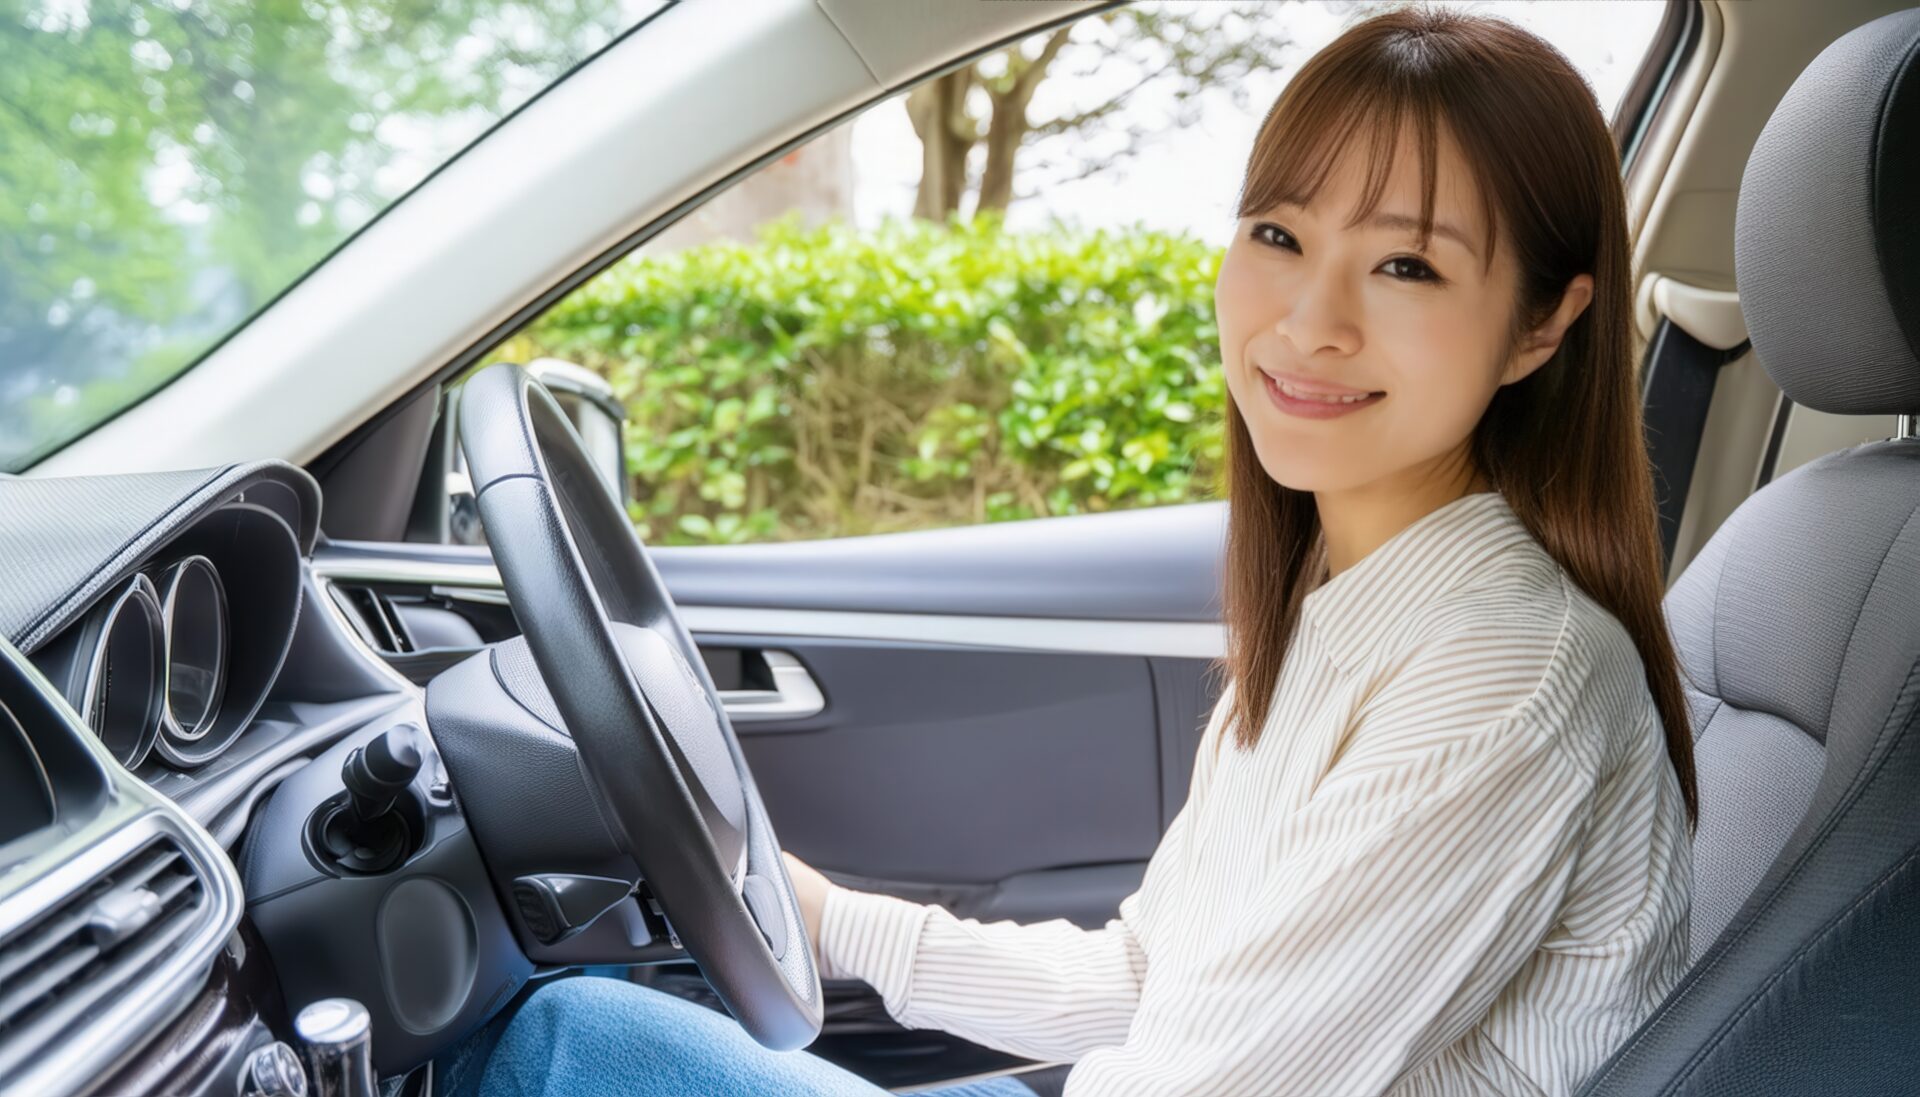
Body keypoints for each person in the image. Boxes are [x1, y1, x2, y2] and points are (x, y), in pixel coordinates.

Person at [458, 7, 1696, 1096]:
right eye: (1277, 235)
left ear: (1542, 325)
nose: (1310, 322)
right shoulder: (1348, 603)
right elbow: (1153, 980)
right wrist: (825, 917)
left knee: (556, 1046)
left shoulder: (1505, 670)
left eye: (1407, 264)